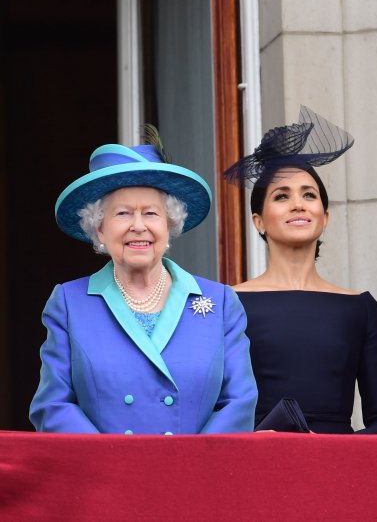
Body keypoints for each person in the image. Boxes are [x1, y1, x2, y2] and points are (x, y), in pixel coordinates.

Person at [30, 138, 257, 434]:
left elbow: (239, 402)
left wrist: (193, 465)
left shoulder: (221, 301)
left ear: (169, 225)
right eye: (122, 213)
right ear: (99, 228)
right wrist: (113, 465)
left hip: (193, 474)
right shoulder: (69, 303)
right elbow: (52, 406)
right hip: (106, 475)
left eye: (151, 213)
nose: (138, 226)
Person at [224, 107, 377, 434]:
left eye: (309, 195)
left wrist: (332, 451)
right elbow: (214, 409)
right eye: (281, 196)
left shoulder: (360, 307)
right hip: (253, 468)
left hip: (337, 471)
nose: (298, 204)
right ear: (258, 221)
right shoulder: (229, 303)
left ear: (325, 216)